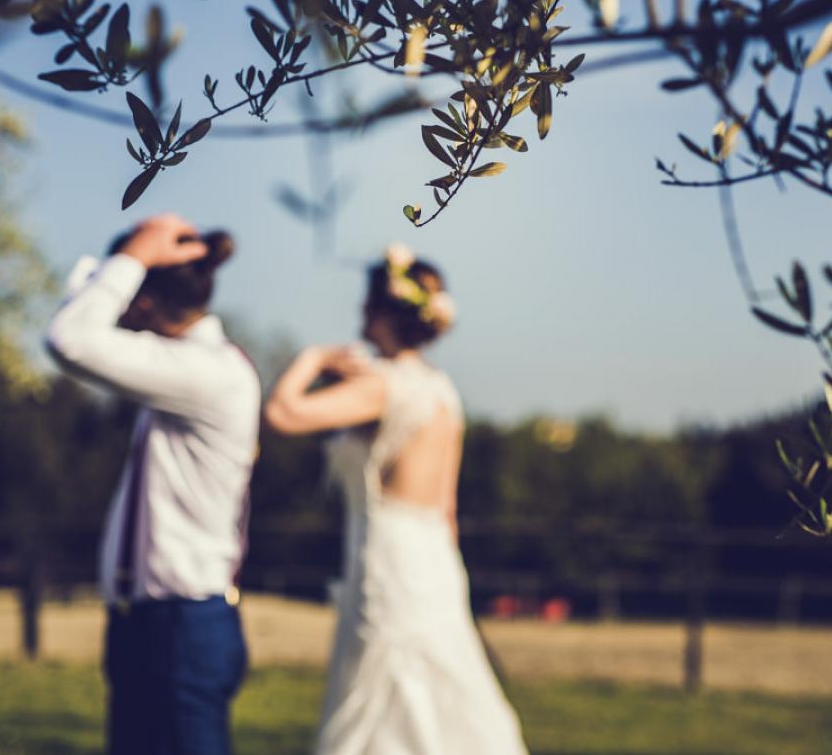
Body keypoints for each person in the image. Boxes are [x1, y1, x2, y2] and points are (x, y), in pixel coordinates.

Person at [265, 243, 528, 755]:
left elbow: (283, 413)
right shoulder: (441, 389)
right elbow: (447, 503)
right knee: (448, 680)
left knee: (385, 684)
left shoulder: (383, 386)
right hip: (435, 556)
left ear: (385, 312)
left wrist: (312, 358)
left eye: (367, 301)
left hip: (388, 553)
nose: (360, 310)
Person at [45, 213, 259, 755]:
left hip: (181, 626)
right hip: (156, 624)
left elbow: (71, 337)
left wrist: (136, 254)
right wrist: (129, 263)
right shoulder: (181, 367)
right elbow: (83, 316)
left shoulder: (203, 372)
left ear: (141, 304)